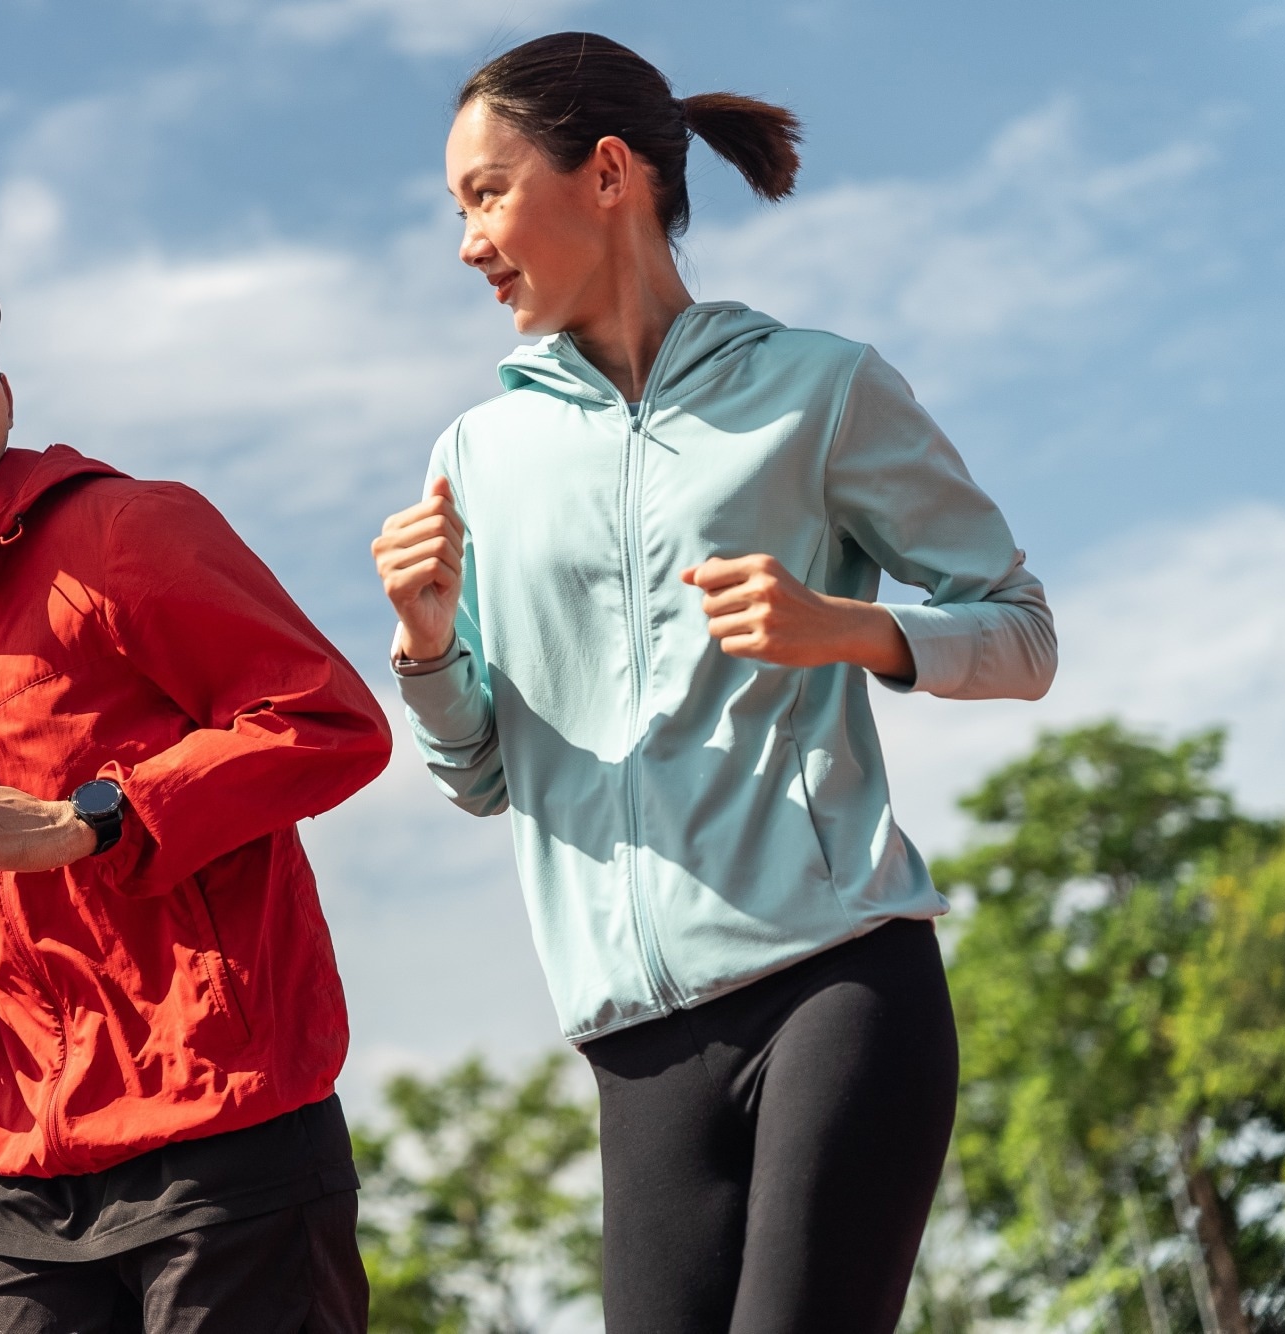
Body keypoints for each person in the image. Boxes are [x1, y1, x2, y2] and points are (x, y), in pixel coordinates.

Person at [371, 34, 1056, 1334]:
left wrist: (846, 626)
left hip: (836, 977)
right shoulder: (479, 454)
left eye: (487, 193)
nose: (468, 243)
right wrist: (424, 646)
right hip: (637, 1041)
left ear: (608, 173)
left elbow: (1022, 632)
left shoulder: (820, 390)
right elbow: (483, 778)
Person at [0, 266, 389, 1333]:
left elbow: (327, 724)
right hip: (36, 1164)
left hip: (227, 1127)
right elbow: (24, 885)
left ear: (2, 388)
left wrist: (94, 816)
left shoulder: (124, 528)